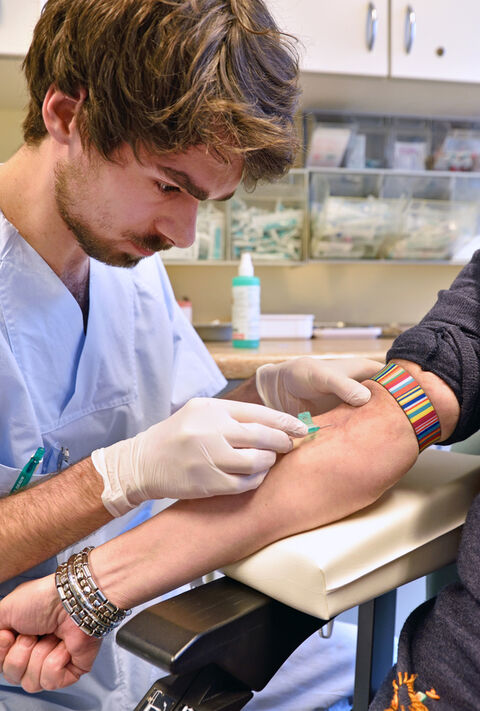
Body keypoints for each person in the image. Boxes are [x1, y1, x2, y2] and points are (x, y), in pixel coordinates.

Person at [0, 0, 381, 708]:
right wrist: (117, 476)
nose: (183, 231)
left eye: (208, 200)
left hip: (168, 629)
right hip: (33, 671)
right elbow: (143, 460)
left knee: (378, 667)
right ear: (65, 116)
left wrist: (268, 394)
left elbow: (183, 423)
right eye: (169, 185)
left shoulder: (129, 262)